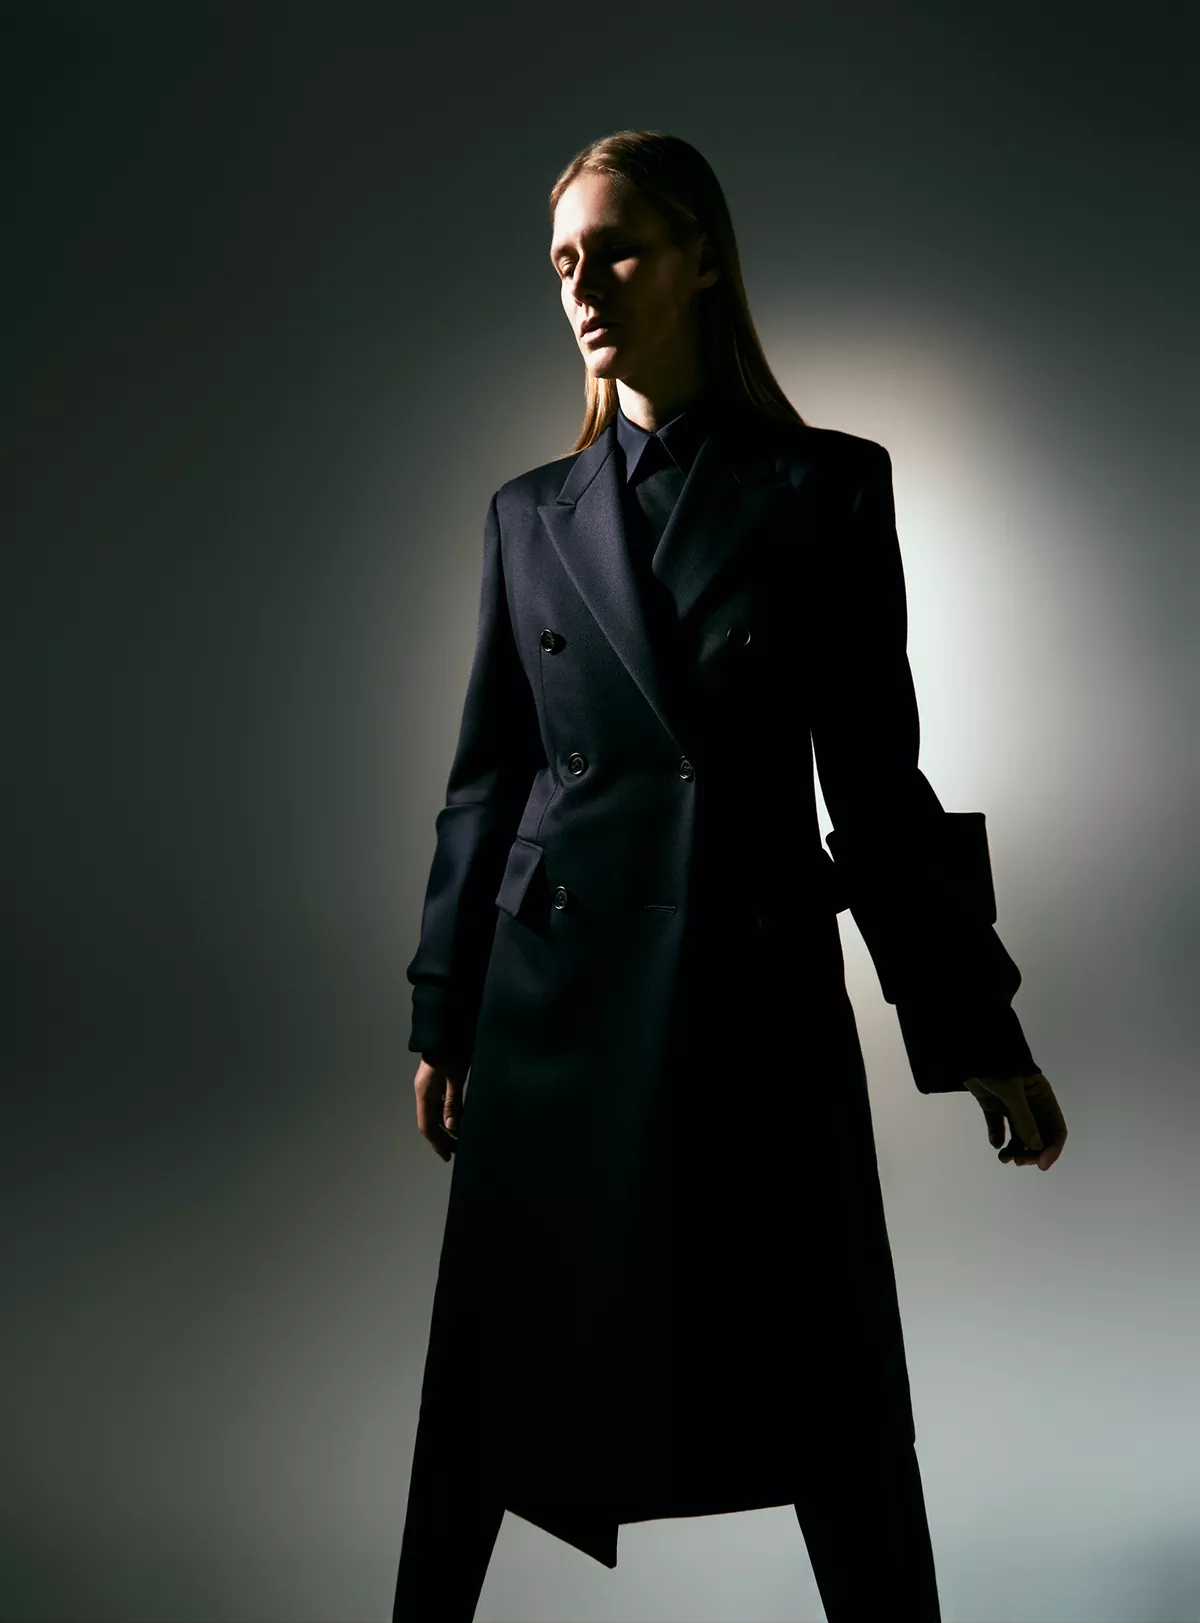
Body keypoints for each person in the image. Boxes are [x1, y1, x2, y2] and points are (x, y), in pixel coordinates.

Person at [394, 129, 1068, 1622]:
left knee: (829, 1391)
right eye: (564, 263)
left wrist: (978, 1028)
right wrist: (444, 1006)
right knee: (494, 1397)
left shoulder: (826, 489)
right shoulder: (525, 515)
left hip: (748, 988)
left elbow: (876, 787)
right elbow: (487, 780)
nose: (585, 289)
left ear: (703, 259)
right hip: (555, 1006)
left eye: (619, 251)